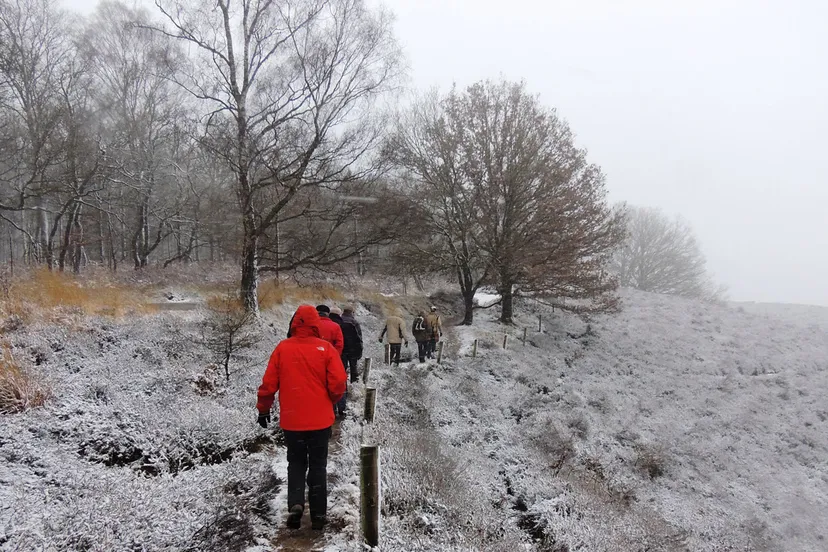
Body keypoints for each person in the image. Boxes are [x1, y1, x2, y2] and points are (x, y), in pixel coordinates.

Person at [256, 305, 347, 531]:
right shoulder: (325, 349)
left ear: (294, 323)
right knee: (318, 465)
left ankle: (296, 503)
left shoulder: (282, 348)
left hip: (292, 421)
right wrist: (331, 400)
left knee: (295, 462)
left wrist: (264, 409)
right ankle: (318, 515)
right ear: (316, 324)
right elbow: (338, 384)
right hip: (320, 421)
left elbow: (268, 385)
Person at [340, 306, 364, 383]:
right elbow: (359, 337)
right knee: (353, 368)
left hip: (342, 349)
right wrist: (360, 351)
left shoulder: (339, 321)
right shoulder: (354, 322)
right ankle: (354, 386)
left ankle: (343, 385)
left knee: (342, 368)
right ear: (352, 313)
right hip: (353, 349)